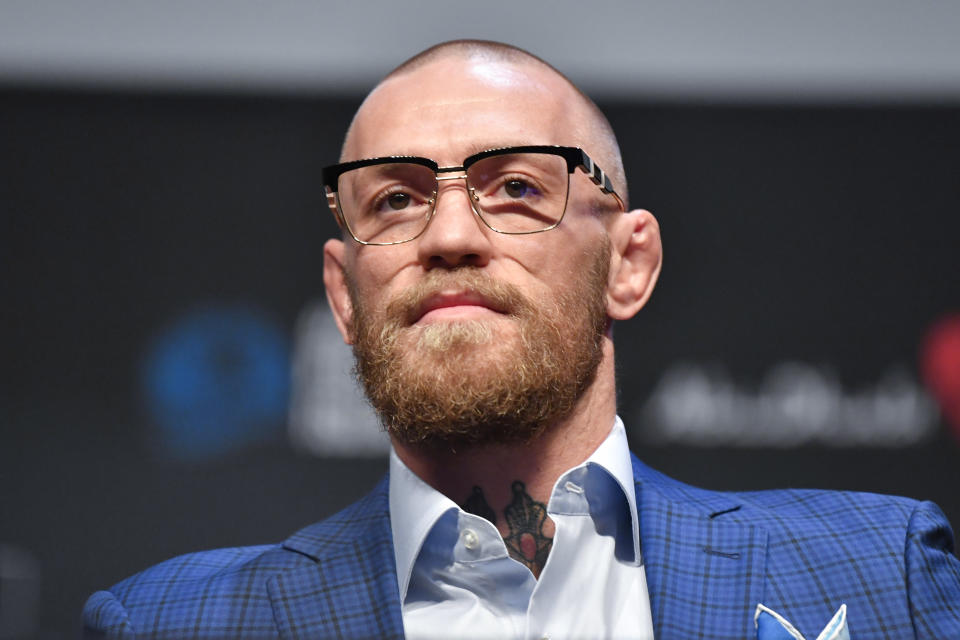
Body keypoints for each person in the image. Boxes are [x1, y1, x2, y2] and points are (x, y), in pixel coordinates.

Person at [83, 40, 960, 639]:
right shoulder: (172, 621)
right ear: (344, 297)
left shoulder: (882, 573)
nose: (450, 235)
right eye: (395, 199)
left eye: (515, 189)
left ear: (628, 263)